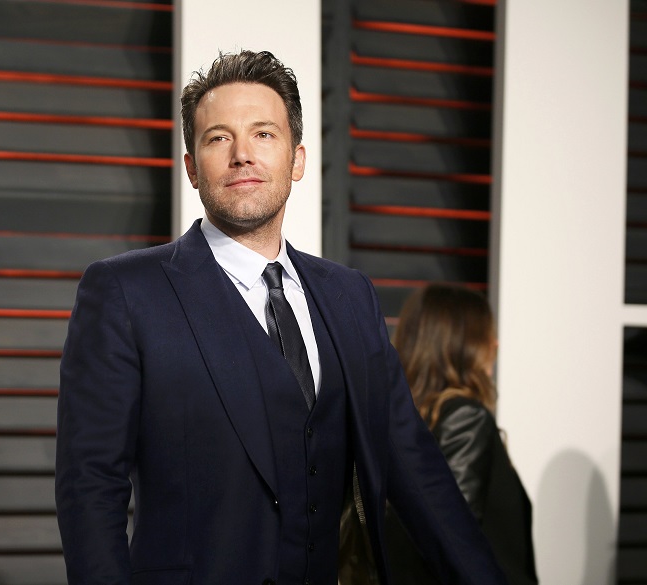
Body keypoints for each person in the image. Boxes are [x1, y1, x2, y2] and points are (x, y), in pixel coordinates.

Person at [55, 49, 507, 585]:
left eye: (263, 134)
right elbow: (90, 486)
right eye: (218, 138)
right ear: (192, 168)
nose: (242, 155)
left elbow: (416, 468)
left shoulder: (350, 296)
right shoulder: (126, 292)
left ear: (297, 160)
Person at [384, 284, 538, 585]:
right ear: (462, 345)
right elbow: (451, 541)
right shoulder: (466, 419)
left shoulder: (401, 424)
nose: (495, 345)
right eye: (485, 336)